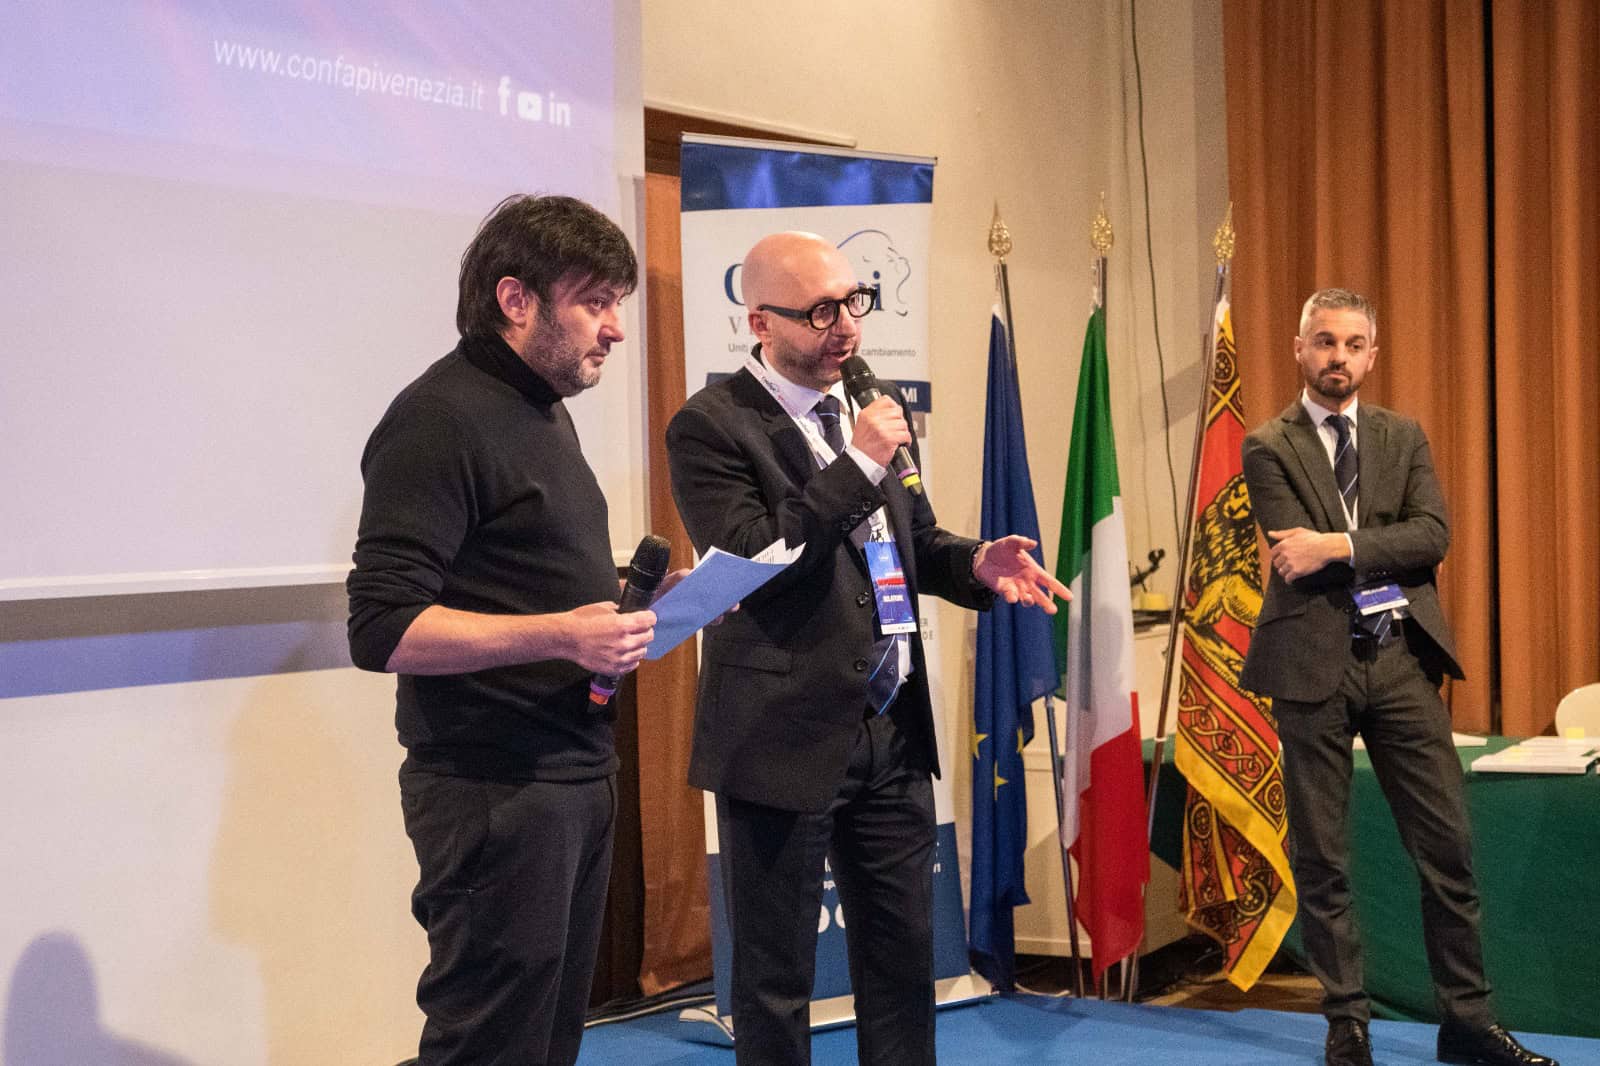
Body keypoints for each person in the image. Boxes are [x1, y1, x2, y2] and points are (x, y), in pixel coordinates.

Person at [665, 231, 1069, 1066]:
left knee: (902, 964)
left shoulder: (866, 396)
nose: (846, 325)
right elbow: (757, 560)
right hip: (781, 732)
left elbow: (910, 540)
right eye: (819, 312)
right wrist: (858, 461)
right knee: (776, 980)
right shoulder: (710, 426)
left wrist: (973, 564)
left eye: (854, 302)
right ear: (759, 322)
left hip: (891, 726)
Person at [346, 194, 654, 1066]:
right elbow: (382, 627)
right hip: (493, 790)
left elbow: (520, 578)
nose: (615, 329)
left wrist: (639, 606)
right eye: (595, 303)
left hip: (573, 772)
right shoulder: (438, 417)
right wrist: (562, 634)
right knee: (488, 1046)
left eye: (617, 304)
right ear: (516, 300)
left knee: (547, 1043)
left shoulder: (544, 411)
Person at [1240, 288, 1557, 1066]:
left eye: (1353, 345)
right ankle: (1347, 1023)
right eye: (1324, 341)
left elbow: (1433, 534)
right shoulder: (1267, 444)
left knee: (1447, 847)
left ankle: (1467, 1022)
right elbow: (1291, 551)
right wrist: (1371, 542)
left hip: (1399, 658)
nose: (1338, 357)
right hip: (1309, 665)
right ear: (1300, 348)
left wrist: (1338, 544)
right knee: (1323, 856)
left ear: (1372, 356)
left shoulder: (1402, 435)